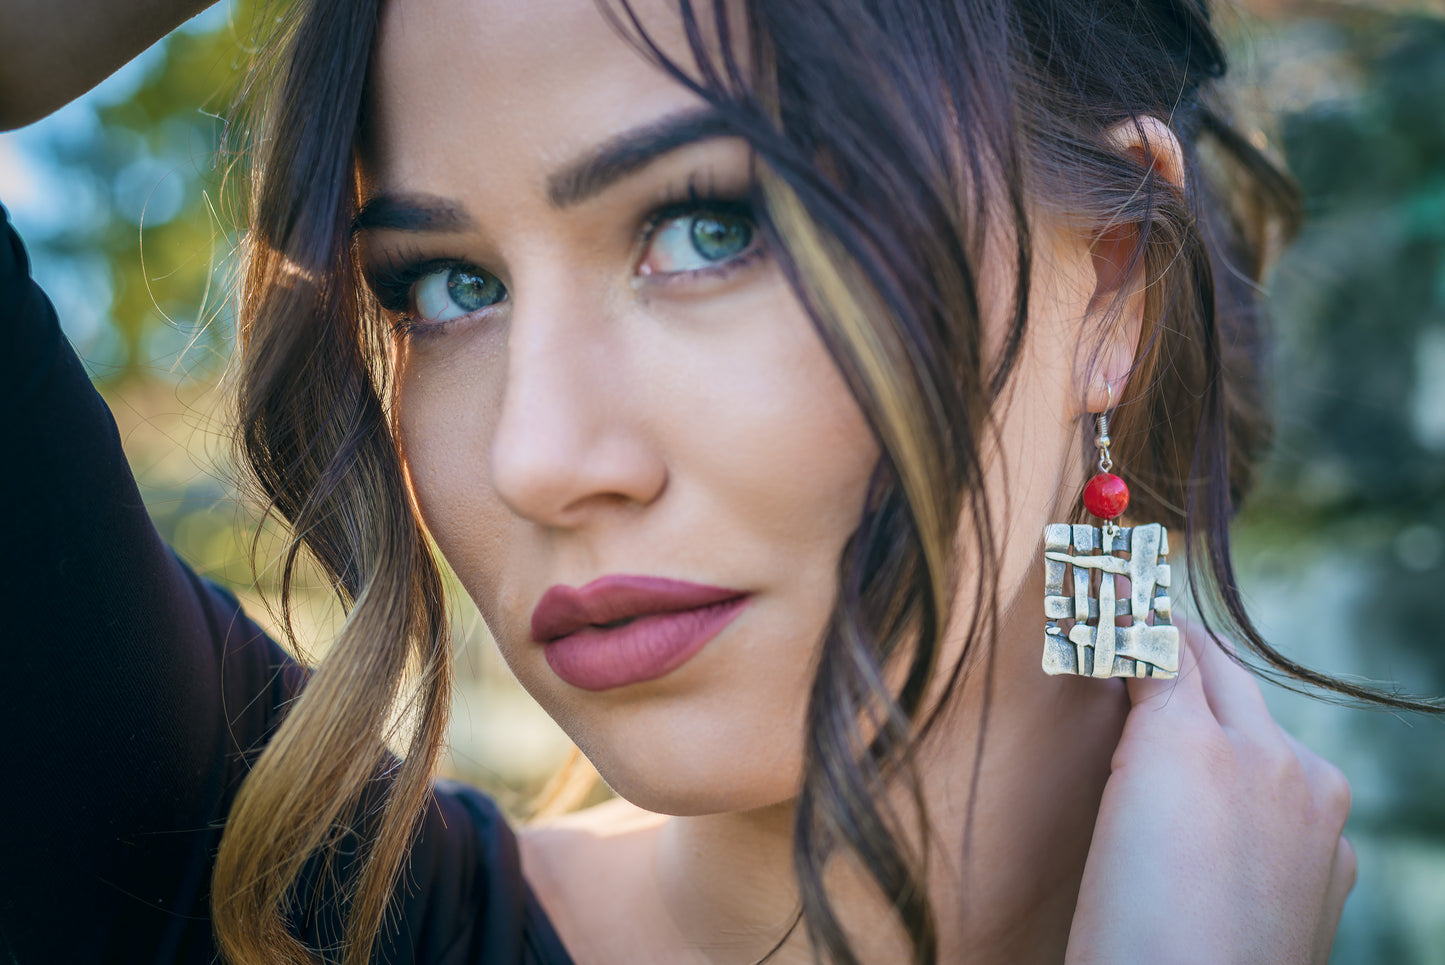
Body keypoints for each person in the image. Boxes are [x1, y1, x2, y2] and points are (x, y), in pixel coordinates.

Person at [6, 0, 1422, 962]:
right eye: (443, 286)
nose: (537, 457)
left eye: (704, 229)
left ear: (1110, 290)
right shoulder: (244, 894)